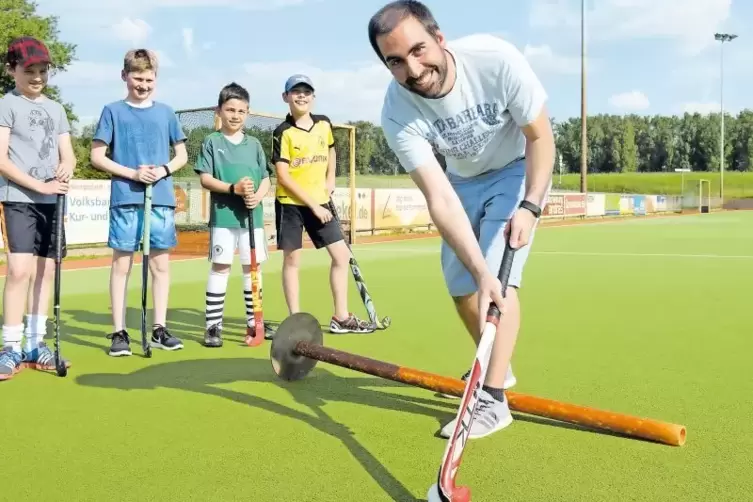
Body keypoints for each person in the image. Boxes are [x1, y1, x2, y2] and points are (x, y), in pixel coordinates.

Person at [369, 0, 554, 439]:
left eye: (418, 50)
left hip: (513, 171)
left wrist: (530, 205)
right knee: (462, 287)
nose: (413, 70)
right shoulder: (397, 111)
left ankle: (492, 400)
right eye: (395, 61)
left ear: (439, 38)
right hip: (460, 183)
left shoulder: (495, 60)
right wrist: (475, 270)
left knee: (497, 280)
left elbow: (541, 136)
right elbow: (439, 196)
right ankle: (498, 368)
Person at [90, 48, 188, 357]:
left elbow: (182, 155)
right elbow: (96, 156)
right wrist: (132, 173)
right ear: (124, 76)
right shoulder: (112, 111)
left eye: (148, 79)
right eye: (137, 78)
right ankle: (119, 332)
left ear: (155, 79)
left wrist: (163, 170)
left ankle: (159, 328)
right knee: (122, 264)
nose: (143, 85)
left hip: (159, 198)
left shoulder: (167, 112)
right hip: (126, 198)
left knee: (160, 265)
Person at [271, 74, 374, 334]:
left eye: (306, 92)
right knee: (293, 260)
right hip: (291, 204)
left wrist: (330, 178)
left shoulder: (324, 124)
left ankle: (341, 317)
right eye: (296, 92)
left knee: (342, 255)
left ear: (313, 98)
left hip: (321, 200)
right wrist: (314, 206)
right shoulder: (282, 132)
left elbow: (331, 150)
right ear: (286, 97)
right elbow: (283, 176)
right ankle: (295, 320)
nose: (301, 96)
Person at [0, 36, 74, 380]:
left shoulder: (56, 109)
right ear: (12, 69)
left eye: (43, 70)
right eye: (30, 69)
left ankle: (35, 343)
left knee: (46, 271)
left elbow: (68, 153)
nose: (38, 76)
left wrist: (67, 166)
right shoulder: (6, 104)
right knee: (19, 271)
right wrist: (39, 185)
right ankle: (10, 347)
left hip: (52, 201)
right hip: (18, 199)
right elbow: (1, 160)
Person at [194, 82, 274, 347]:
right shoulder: (211, 141)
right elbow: (205, 178)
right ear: (219, 111)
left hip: (252, 219)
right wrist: (233, 189)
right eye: (230, 109)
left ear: (247, 112)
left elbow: (265, 178)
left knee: (253, 268)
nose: (236, 115)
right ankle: (213, 327)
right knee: (221, 267)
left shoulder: (254, 145)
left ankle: (255, 322)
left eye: (241, 110)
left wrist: (257, 196)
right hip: (224, 217)